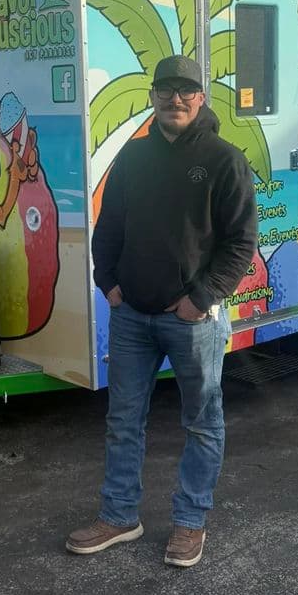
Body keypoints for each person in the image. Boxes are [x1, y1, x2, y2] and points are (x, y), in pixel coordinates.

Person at [67, 55, 255, 568]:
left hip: (191, 321)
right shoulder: (133, 158)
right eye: (166, 89)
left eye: (186, 90)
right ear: (153, 96)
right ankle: (120, 515)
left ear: (201, 97)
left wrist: (202, 298)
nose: (176, 99)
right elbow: (108, 230)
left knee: (202, 421)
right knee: (123, 421)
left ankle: (191, 523)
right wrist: (107, 284)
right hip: (131, 317)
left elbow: (241, 244)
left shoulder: (223, 160)